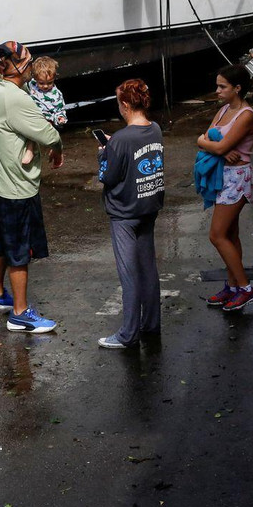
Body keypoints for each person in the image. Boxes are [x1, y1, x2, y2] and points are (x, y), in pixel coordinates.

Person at [0, 40, 64, 333]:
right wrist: (58, 149)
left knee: (2, 241)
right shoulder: (16, 99)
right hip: (15, 188)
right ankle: (20, 312)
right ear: (10, 66)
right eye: (26, 61)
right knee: (19, 251)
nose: (30, 65)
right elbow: (47, 133)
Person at [96, 78, 165, 349]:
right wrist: (115, 148)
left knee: (129, 274)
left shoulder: (121, 139)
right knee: (148, 269)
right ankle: (151, 324)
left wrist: (104, 153)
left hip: (124, 213)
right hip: (149, 206)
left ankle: (128, 334)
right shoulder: (155, 129)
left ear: (125, 104)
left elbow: (108, 176)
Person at [196, 63, 253, 312]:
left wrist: (215, 146)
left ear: (237, 88)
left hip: (238, 178)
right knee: (230, 236)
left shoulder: (246, 116)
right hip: (224, 175)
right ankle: (233, 287)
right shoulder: (224, 110)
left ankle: (245, 288)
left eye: (222, 86)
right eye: (217, 85)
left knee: (217, 235)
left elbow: (216, 145)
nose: (217, 91)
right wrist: (214, 146)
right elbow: (201, 139)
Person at [22, 56, 68, 165]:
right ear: (35, 78)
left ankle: (32, 151)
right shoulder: (32, 84)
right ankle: (31, 150)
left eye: (50, 82)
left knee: (47, 133)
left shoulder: (56, 94)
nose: (46, 86)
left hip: (47, 118)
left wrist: (60, 118)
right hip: (33, 113)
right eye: (41, 83)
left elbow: (59, 109)